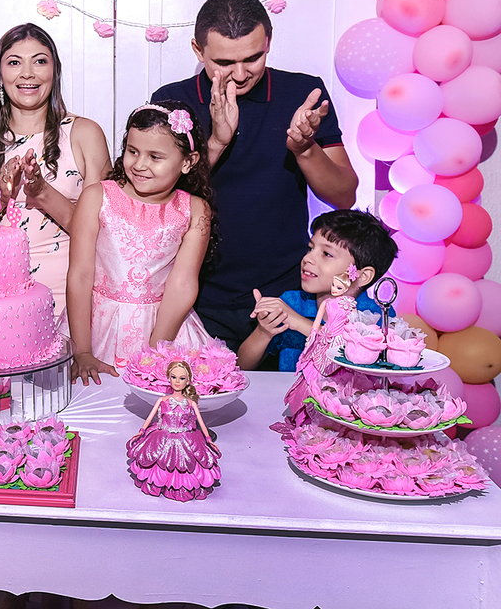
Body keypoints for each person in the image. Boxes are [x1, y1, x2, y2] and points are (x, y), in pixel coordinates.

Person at [152, 0, 359, 346]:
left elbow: (344, 196)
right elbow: (155, 199)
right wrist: (216, 142)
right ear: (198, 51)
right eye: (224, 62)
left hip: (287, 295)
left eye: (253, 58)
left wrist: (305, 148)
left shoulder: (302, 93)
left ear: (268, 43)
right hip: (192, 293)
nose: (240, 73)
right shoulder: (172, 101)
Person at [67, 102, 219, 381]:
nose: (139, 164)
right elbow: (80, 275)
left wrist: (156, 352)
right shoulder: (97, 197)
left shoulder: (196, 210)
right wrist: (83, 351)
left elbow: (182, 284)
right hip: (96, 327)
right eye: (132, 151)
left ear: (188, 162)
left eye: (155, 157)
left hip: (165, 329)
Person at [0, 23, 112, 317]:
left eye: (39, 61)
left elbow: (107, 235)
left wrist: (41, 192)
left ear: (55, 71)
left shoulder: (84, 134)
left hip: (69, 301)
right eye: (15, 62)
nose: (28, 73)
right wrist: (1, 197)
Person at [237, 209, 398, 373]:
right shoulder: (292, 303)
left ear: (363, 276)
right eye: (310, 248)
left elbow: (356, 362)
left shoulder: (378, 315)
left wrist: (298, 322)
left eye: (327, 254)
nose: (308, 258)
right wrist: (264, 331)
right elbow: (241, 367)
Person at [126, 360, 221, 502]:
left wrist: (208, 439)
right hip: (163, 436)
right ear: (168, 378)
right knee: (157, 459)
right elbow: (150, 417)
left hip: (186, 437)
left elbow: (201, 422)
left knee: (188, 463)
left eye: (181, 378)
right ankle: (160, 483)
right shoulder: (162, 400)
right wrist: (142, 431)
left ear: (188, 381)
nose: (177, 381)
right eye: (173, 377)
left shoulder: (191, 403)